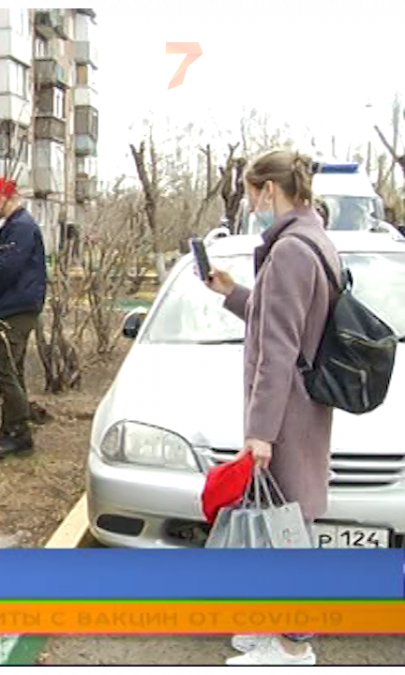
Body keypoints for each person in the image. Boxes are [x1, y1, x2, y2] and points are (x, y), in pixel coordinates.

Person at [205, 150, 336, 667]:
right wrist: (234, 292)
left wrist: (260, 432)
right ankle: (276, 626)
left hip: (288, 413)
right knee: (284, 524)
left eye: (250, 191)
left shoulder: (289, 251)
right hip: (302, 407)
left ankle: (294, 645)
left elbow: (279, 347)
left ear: (266, 190)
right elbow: (286, 318)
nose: (250, 203)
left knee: (289, 532)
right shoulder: (312, 237)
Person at [0, 177, 47, 459]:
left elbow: (8, 270)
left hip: (16, 306)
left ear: (3, 198)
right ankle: (9, 434)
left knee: (2, 370)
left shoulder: (20, 227)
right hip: (16, 305)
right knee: (13, 371)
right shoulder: (17, 226)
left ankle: (20, 433)